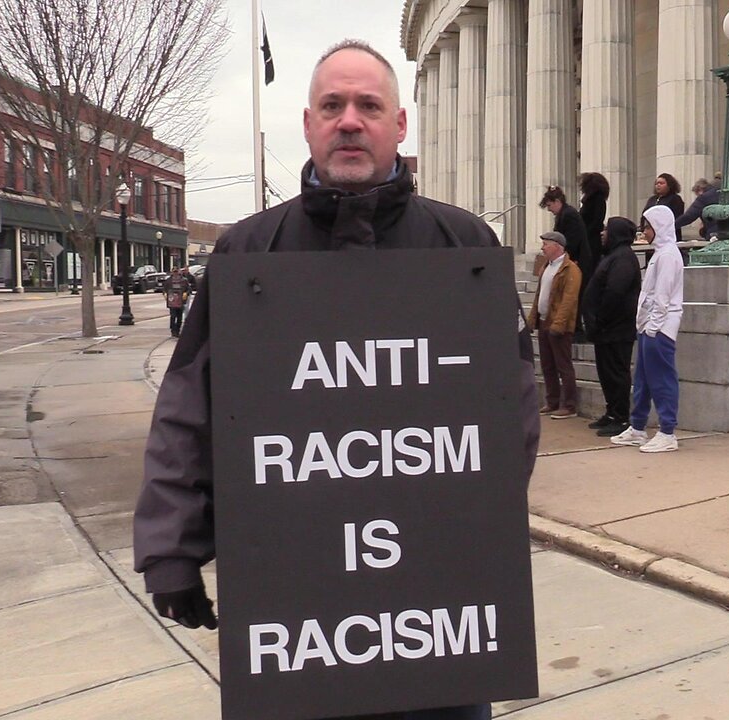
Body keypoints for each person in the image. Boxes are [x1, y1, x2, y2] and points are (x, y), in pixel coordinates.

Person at [132, 39, 539, 720]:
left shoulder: (463, 246)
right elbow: (188, 408)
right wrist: (172, 551)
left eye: (368, 105)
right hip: (296, 613)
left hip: (438, 619)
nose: (350, 120)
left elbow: (511, 411)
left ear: (399, 125)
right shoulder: (247, 252)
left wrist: (469, 517)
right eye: (333, 105)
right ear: (310, 122)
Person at [611, 205, 683, 453]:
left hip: (659, 327)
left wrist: (652, 327)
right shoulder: (661, 253)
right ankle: (638, 427)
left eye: (648, 226)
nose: (644, 231)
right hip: (650, 326)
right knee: (642, 379)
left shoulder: (668, 255)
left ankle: (667, 432)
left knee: (661, 379)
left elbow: (662, 297)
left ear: (659, 227)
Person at [581, 217, 642, 437]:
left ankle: (621, 417)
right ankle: (611, 412)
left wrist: (600, 318)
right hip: (606, 330)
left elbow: (615, 292)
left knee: (617, 373)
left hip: (616, 329)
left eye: (607, 229)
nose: (602, 232)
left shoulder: (624, 258)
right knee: (606, 373)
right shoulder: (613, 256)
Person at [527, 230, 581, 420]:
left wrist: (558, 324)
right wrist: (533, 318)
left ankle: (569, 405)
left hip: (558, 325)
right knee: (547, 365)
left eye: (546, 244)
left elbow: (568, 300)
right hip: (543, 322)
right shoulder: (546, 267)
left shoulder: (570, 270)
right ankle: (552, 401)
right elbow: (539, 295)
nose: (542, 248)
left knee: (563, 365)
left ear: (557, 246)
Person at [539, 185, 592, 337]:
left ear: (557, 201)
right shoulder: (566, 214)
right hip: (574, 259)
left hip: (577, 260)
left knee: (575, 296)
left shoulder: (569, 215)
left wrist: (567, 259)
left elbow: (573, 240)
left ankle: (577, 330)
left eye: (549, 205)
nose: (549, 209)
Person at [578, 172, 609, 251]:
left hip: (591, 240)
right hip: (590, 238)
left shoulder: (596, 200)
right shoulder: (594, 200)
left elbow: (596, 221)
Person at [162, 267, 191, 337]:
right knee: (173, 316)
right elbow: (164, 289)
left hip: (180, 301)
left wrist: (186, 293)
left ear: (179, 272)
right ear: (172, 272)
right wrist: (165, 294)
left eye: (176, 272)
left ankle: (177, 330)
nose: (175, 273)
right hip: (172, 302)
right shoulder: (168, 281)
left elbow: (189, 290)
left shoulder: (184, 280)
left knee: (179, 317)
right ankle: (173, 330)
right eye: (174, 272)